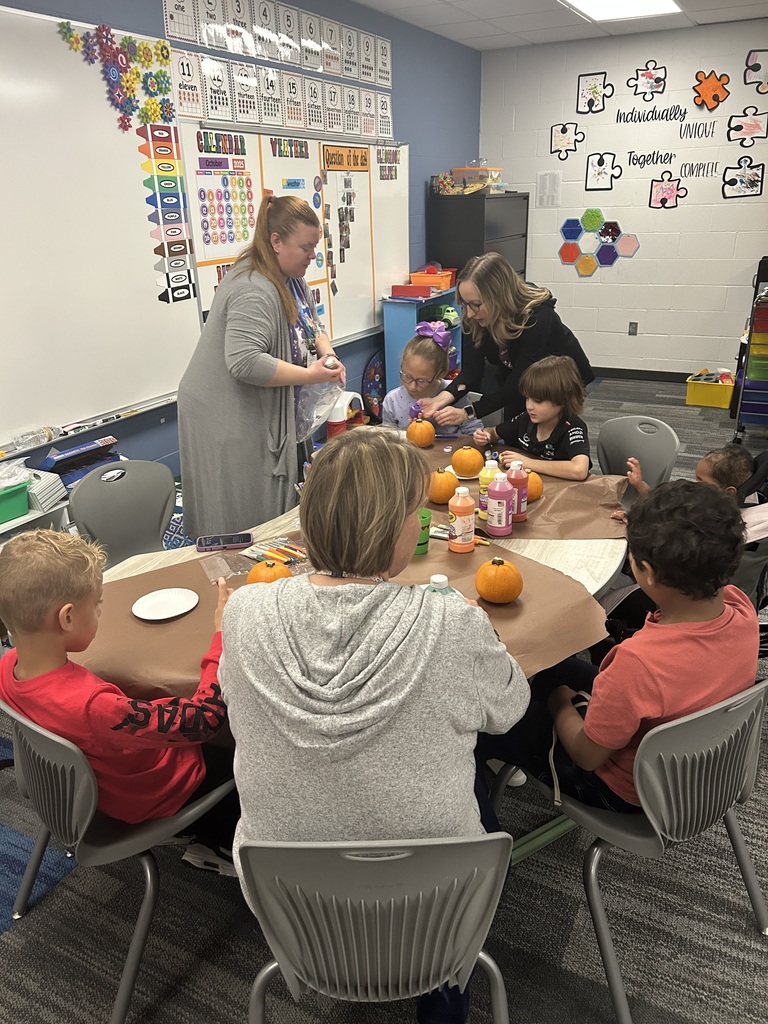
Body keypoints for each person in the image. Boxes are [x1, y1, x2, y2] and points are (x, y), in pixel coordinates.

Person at [219, 427, 530, 1024]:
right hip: (436, 907)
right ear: (392, 530)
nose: (422, 523)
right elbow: (510, 708)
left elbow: (234, 707)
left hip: (293, 909)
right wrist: (472, 634)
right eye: (416, 512)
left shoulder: (244, 611)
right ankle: (442, 998)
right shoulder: (450, 621)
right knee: (478, 797)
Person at [478, 480, 758, 812]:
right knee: (553, 663)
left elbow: (585, 756)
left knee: (479, 716)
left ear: (648, 573)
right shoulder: (741, 608)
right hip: (698, 770)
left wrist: (561, 703)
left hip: (621, 791)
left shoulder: (638, 664)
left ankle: (479, 831)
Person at [0, 529, 239, 874]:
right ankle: (216, 844)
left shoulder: (8, 668)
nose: (100, 611)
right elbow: (206, 719)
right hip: (163, 793)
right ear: (66, 618)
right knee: (241, 752)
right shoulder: (92, 706)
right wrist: (221, 635)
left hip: (83, 796)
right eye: (96, 604)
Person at [178, 194, 346, 540]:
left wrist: (327, 354)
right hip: (223, 415)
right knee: (244, 507)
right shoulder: (253, 288)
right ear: (276, 241)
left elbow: (312, 325)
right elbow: (244, 361)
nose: (312, 257)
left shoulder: (290, 277)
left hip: (252, 406)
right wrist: (311, 374)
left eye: (315, 247)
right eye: (305, 248)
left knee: (271, 500)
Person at [418, 252, 594, 429]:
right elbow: (472, 370)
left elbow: (518, 382)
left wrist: (467, 413)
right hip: (519, 380)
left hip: (558, 381)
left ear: (499, 297)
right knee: (514, 430)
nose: (470, 313)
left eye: (475, 304)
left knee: (549, 434)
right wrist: (440, 399)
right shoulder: (474, 317)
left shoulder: (538, 317)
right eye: (465, 304)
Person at [613, 444, 768, 609]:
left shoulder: (716, 525)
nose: (694, 484)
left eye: (701, 481)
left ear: (729, 492)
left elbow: (675, 552)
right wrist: (640, 490)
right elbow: (668, 511)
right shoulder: (717, 504)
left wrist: (638, 529)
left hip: (687, 592)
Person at [472, 355, 591, 480]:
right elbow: (494, 432)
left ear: (562, 400)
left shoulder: (573, 427)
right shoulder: (526, 419)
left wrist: (527, 462)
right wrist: (486, 435)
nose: (529, 406)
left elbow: (579, 470)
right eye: (527, 398)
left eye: (538, 401)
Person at [381, 321, 483, 435]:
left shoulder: (454, 394)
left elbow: (473, 429)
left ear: (441, 373)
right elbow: (389, 440)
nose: (412, 386)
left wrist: (479, 436)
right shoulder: (392, 401)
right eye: (407, 376)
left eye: (421, 381)